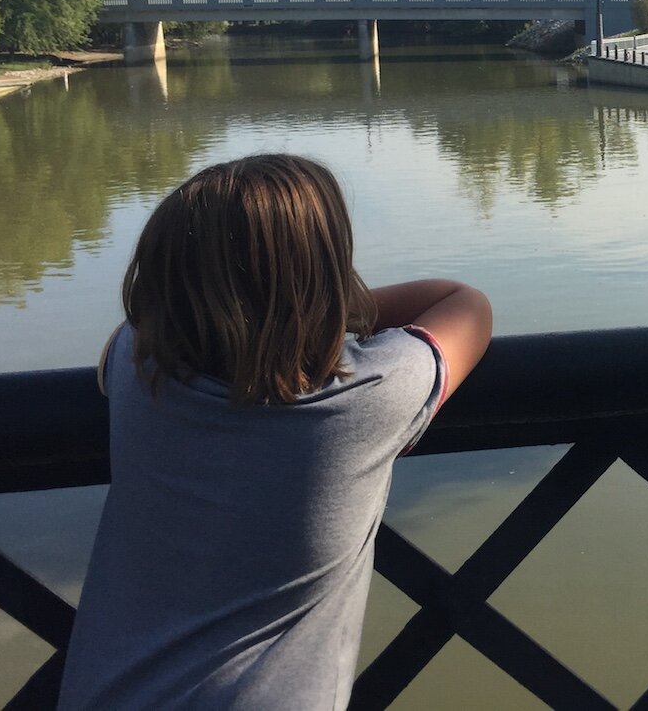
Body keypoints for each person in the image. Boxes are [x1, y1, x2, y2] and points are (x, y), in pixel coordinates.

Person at [58, 154, 492, 710]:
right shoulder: (365, 397)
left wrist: (300, 307)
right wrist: (333, 310)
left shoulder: (136, 368)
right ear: (325, 275)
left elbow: (148, 322)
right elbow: (464, 305)